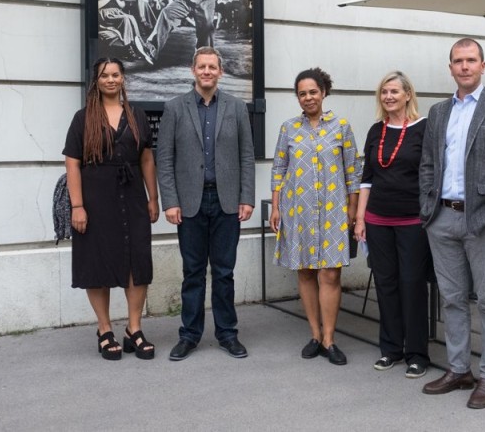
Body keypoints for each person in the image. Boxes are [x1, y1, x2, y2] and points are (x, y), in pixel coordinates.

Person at [419, 38, 485, 409]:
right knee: (451, 299)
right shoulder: (438, 112)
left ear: (483, 65)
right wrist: (426, 209)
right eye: (458, 61)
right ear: (450, 67)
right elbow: (428, 164)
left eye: (471, 60)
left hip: (483, 220)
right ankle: (459, 369)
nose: (464, 67)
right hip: (442, 218)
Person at [156, 46, 255, 361]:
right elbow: (165, 159)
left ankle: (227, 334)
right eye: (202, 67)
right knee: (193, 272)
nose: (208, 72)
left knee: (224, 272)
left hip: (227, 201)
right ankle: (189, 336)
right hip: (189, 203)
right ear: (193, 70)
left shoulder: (237, 107)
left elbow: (246, 157)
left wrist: (246, 197)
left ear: (220, 72)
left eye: (213, 67)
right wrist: (170, 201)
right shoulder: (174, 108)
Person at [63, 57, 160, 361]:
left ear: (123, 79)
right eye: (105, 75)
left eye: (116, 74)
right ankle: (104, 329)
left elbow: (146, 158)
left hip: (131, 196)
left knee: (137, 260)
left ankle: (134, 328)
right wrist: (77, 206)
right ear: (97, 81)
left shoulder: (137, 116)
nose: (111, 79)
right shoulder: (83, 118)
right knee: (98, 262)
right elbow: (72, 163)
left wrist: (152, 197)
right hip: (95, 198)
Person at [269, 68, 361, 366]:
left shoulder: (341, 127)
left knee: (330, 273)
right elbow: (278, 169)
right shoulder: (288, 129)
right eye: (302, 93)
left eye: (312, 91)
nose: (308, 97)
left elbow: (353, 173)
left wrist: (352, 208)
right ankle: (314, 334)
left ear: (323, 92)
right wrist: (275, 207)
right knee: (306, 271)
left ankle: (330, 339)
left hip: (334, 211)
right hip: (299, 211)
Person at [354, 71, 432, 379]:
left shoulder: (424, 128)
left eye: (394, 91)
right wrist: (360, 218)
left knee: (412, 284)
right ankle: (390, 349)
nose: (388, 96)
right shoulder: (376, 130)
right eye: (384, 91)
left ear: (408, 94)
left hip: (413, 220)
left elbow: (431, 175)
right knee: (385, 284)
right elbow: (367, 178)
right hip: (377, 220)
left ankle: (417, 353)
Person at [96, 0, 153, 65]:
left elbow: (122, 5)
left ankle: (139, 44)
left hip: (117, 11)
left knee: (131, 17)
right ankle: (128, 48)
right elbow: (97, 5)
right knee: (126, 18)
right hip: (104, 13)